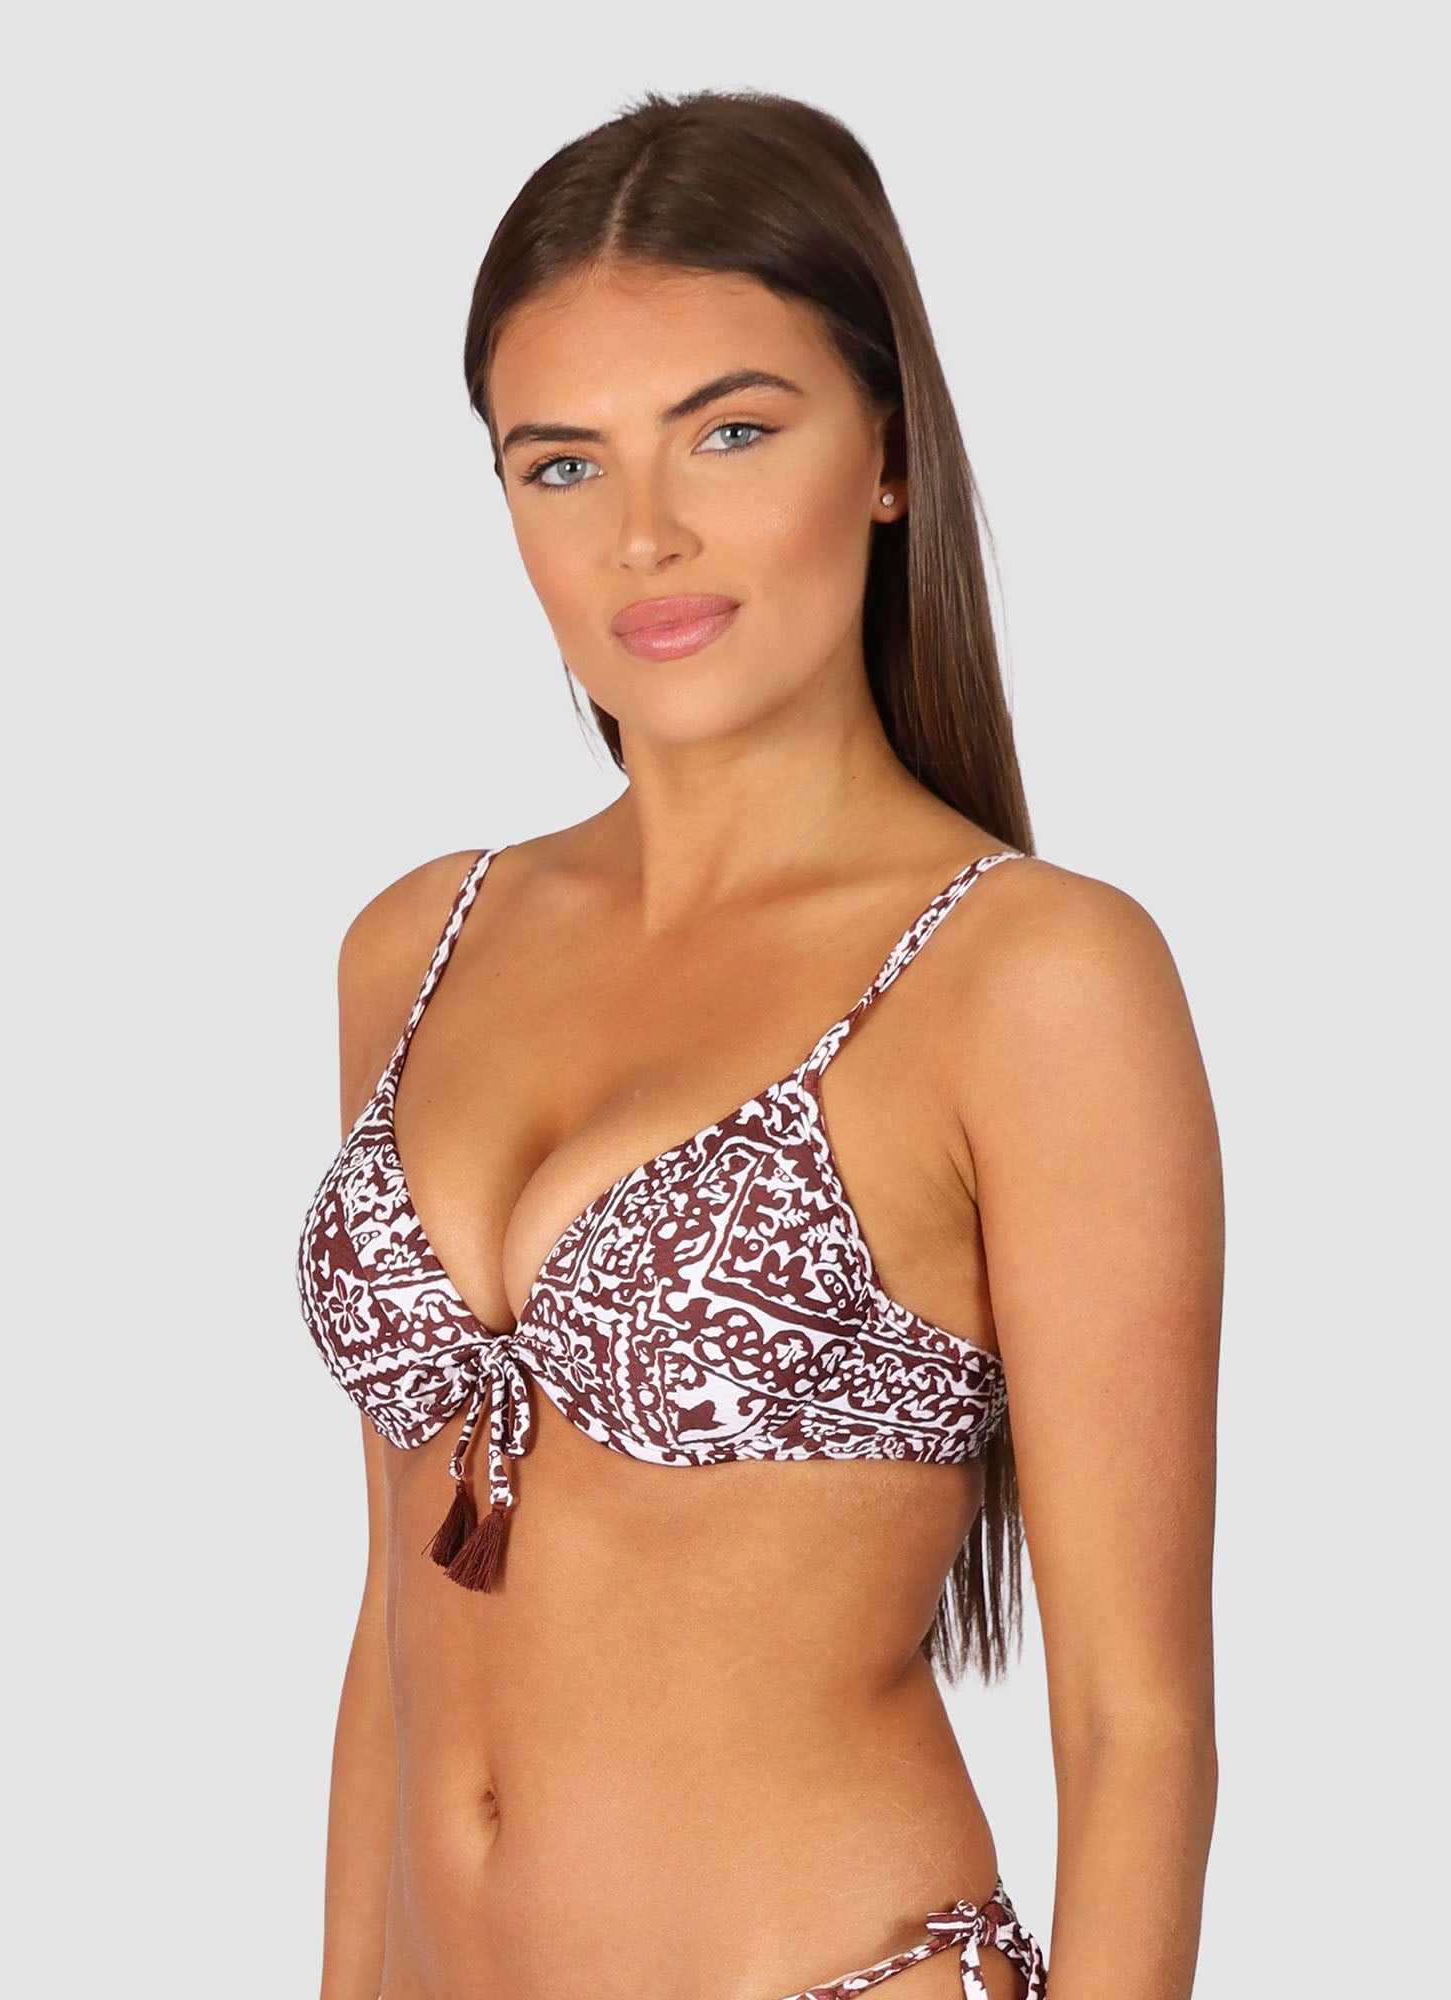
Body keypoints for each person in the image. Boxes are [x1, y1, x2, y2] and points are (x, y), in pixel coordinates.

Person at [297, 87, 1222, 2000]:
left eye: (730, 431)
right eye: (563, 464)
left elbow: (1135, 1725)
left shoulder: (1030, 977)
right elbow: (398, 1612)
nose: (646, 535)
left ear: (887, 453)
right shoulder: (416, 946)